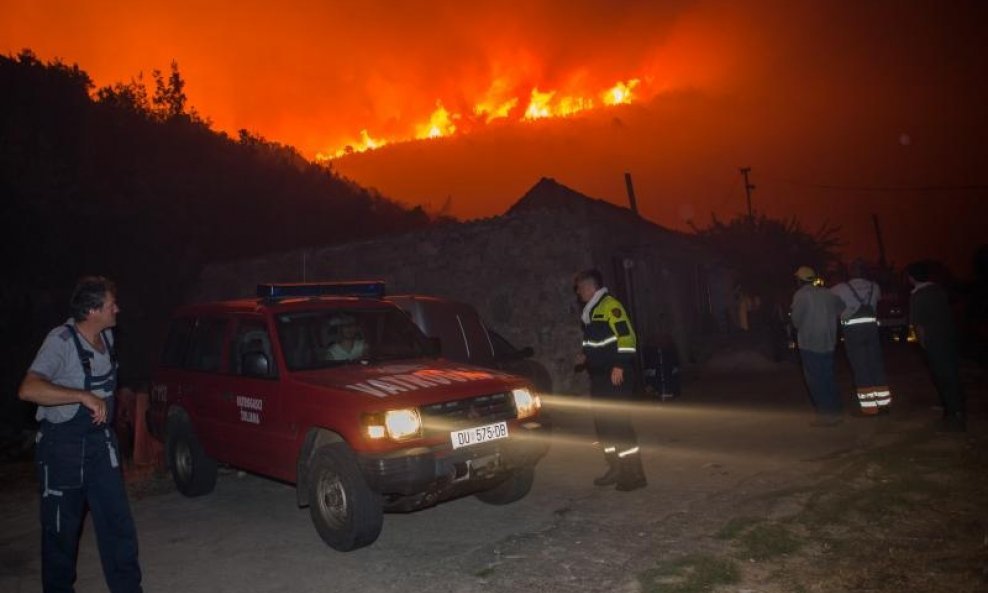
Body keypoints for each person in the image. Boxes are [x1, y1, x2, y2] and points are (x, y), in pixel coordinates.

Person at [18, 276, 143, 593]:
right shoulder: (60, 341)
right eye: (111, 304)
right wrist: (82, 395)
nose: (117, 308)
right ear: (92, 310)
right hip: (63, 451)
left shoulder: (109, 337)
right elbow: (28, 389)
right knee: (61, 536)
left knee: (118, 529)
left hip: (101, 448)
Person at [573, 269, 646, 491]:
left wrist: (620, 364)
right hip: (600, 376)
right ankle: (615, 469)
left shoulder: (609, 306)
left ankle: (634, 475)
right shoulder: (591, 311)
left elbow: (627, 336)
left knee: (618, 425)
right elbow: (600, 342)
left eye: (580, 288)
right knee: (604, 426)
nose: (578, 293)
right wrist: (586, 356)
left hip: (615, 375)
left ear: (590, 287)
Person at [906, 261, 965, 432]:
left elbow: (918, 325)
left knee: (942, 375)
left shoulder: (917, 295)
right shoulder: (938, 290)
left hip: (934, 340)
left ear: (912, 278)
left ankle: (954, 411)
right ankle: (953, 406)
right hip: (949, 337)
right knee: (951, 372)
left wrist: (922, 343)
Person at [831, 259, 892, 415]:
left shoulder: (840, 288)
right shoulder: (875, 286)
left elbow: (829, 300)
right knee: (876, 364)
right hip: (872, 329)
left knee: (860, 366)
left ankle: (869, 408)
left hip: (853, 330)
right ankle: (884, 404)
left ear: (850, 271)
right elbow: (877, 300)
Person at [790, 266, 846, 426]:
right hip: (828, 341)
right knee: (828, 377)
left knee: (816, 380)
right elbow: (841, 308)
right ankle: (835, 411)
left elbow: (796, 320)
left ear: (799, 280)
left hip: (810, 342)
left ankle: (826, 415)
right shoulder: (827, 293)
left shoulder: (801, 295)